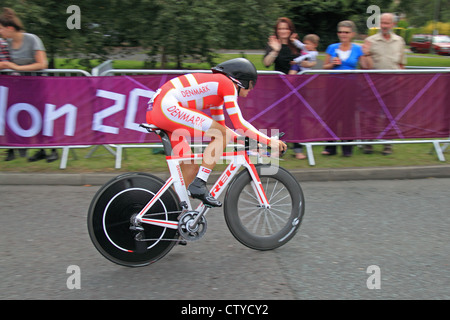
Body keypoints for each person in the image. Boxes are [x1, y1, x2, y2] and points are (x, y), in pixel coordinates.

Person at [146, 58, 287, 207]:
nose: (251, 89)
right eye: (251, 84)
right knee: (221, 135)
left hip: (159, 109)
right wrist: (269, 141)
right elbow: (239, 123)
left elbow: (223, 129)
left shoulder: (217, 96)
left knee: (191, 167)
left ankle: (168, 210)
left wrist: (253, 143)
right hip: (165, 107)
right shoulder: (226, 84)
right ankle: (199, 184)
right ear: (241, 81)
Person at [0, 7, 57, 162]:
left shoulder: (32, 39)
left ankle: (52, 149)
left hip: (36, 85)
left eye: (1, 29)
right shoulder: (6, 44)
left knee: (41, 116)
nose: (0, 32)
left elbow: (42, 63)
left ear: (10, 28)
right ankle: (18, 148)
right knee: (16, 115)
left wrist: (17, 68)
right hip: (18, 86)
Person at [322, 20, 371, 157]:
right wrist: (331, 64)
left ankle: (347, 148)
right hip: (333, 84)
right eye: (341, 32)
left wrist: (366, 54)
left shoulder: (357, 48)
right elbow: (324, 67)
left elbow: (366, 67)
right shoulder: (332, 47)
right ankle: (330, 147)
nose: (343, 35)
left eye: (346, 32)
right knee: (332, 115)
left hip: (350, 85)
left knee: (348, 116)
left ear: (352, 34)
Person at [361, 13, 407, 155]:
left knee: (390, 115)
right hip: (375, 83)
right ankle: (368, 143)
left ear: (393, 24)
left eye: (387, 23)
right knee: (372, 114)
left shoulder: (399, 41)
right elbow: (364, 65)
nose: (384, 26)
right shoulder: (371, 40)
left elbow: (401, 63)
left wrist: (401, 79)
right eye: (382, 22)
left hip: (393, 83)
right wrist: (366, 53)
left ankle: (388, 144)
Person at [263, 17, 306, 160]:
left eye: (286, 28)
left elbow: (307, 61)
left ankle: (298, 148)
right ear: (277, 30)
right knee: (280, 118)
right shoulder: (273, 44)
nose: (283, 31)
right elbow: (266, 63)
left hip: (296, 87)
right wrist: (275, 50)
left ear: (290, 30)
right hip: (280, 88)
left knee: (297, 118)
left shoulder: (296, 45)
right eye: (280, 28)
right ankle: (277, 149)